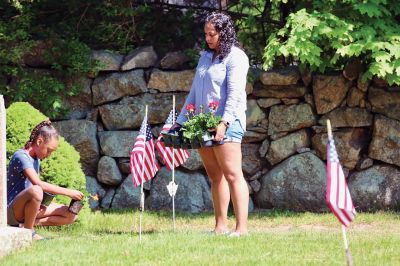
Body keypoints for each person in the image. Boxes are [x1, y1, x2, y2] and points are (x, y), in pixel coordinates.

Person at [174, 12, 249, 236]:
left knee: (233, 174)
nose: (208, 38)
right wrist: (181, 122)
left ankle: (241, 229)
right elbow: (195, 91)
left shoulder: (236, 57)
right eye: (206, 34)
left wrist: (224, 122)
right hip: (202, 124)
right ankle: (220, 226)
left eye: (212, 34)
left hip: (228, 122)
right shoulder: (205, 57)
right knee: (215, 176)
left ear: (223, 33)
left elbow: (235, 94)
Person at [7, 120, 84, 240]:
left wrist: (41, 202)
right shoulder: (21, 156)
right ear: (39, 141)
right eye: (49, 150)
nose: (49, 154)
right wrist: (68, 192)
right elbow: (37, 184)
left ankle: (23, 227)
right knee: (37, 190)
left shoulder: (36, 159)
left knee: (70, 215)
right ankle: (29, 233)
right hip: (11, 211)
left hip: (26, 209)